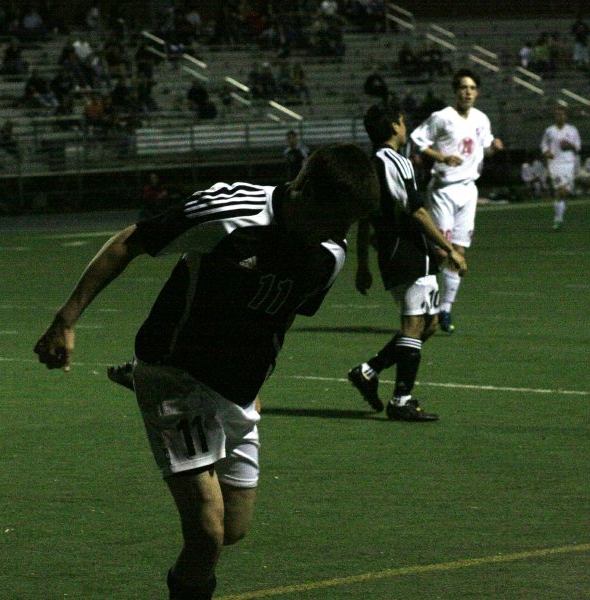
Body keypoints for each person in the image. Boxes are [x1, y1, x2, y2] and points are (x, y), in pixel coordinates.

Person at [34, 143, 379, 600]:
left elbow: (281, 317)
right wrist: (65, 320)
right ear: (306, 190)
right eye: (339, 216)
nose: (343, 230)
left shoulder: (329, 251)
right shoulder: (229, 210)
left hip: (235, 390)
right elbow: (129, 241)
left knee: (233, 528)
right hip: (175, 374)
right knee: (207, 534)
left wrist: (257, 382)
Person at [349, 101, 467, 422]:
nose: (406, 126)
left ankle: (368, 371)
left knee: (426, 324)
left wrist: (362, 265)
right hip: (409, 251)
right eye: (402, 121)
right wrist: (450, 249)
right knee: (414, 325)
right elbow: (417, 210)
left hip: (392, 254)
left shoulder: (369, 165)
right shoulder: (398, 162)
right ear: (395, 127)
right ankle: (401, 400)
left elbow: (362, 218)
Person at [409, 68, 503, 333]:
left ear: (477, 92)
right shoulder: (442, 117)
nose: (468, 92)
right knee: (443, 251)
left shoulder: (482, 119)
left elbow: (483, 150)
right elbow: (418, 141)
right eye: (463, 87)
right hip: (443, 190)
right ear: (455, 90)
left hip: (468, 190)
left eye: (472, 88)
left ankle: (445, 309)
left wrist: (493, 149)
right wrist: (441, 157)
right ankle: (420, 262)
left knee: (458, 252)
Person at [540, 105, 581, 230]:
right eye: (557, 114)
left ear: (566, 116)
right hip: (555, 164)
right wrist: (546, 152)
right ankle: (558, 219)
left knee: (565, 193)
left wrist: (569, 145)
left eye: (562, 114)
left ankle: (560, 211)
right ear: (555, 116)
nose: (560, 116)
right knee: (560, 191)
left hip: (569, 164)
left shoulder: (572, 130)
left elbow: (578, 148)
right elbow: (544, 145)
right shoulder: (549, 131)